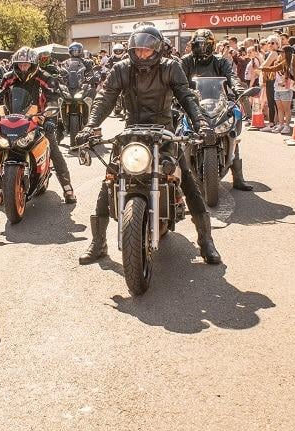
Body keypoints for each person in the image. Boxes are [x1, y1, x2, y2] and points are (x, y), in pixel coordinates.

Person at [75, 25, 221, 266]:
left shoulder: (171, 67)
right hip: (131, 132)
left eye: (146, 50)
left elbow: (187, 97)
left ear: (157, 49)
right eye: (138, 50)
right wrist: (90, 126)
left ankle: (206, 241)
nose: (142, 54)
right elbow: (105, 97)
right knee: (110, 179)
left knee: (186, 179)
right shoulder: (121, 68)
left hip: (163, 131)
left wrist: (202, 124)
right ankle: (98, 242)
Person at [0, 47, 76, 207]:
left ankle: (68, 188)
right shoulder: (8, 78)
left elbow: (53, 99)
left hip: (39, 119)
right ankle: (0, 191)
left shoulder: (45, 77)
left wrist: (50, 119)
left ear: (33, 64)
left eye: (26, 65)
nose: (23, 68)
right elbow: (0, 98)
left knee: (54, 149)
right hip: (12, 120)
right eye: (20, 64)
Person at [181, 28, 252, 191]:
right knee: (180, 134)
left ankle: (238, 178)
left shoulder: (220, 61)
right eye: (198, 45)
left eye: (205, 45)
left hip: (218, 102)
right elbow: (179, 80)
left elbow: (231, 77)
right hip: (193, 103)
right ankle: (179, 178)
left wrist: (238, 90)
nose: (201, 48)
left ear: (211, 46)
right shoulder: (186, 61)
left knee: (231, 130)